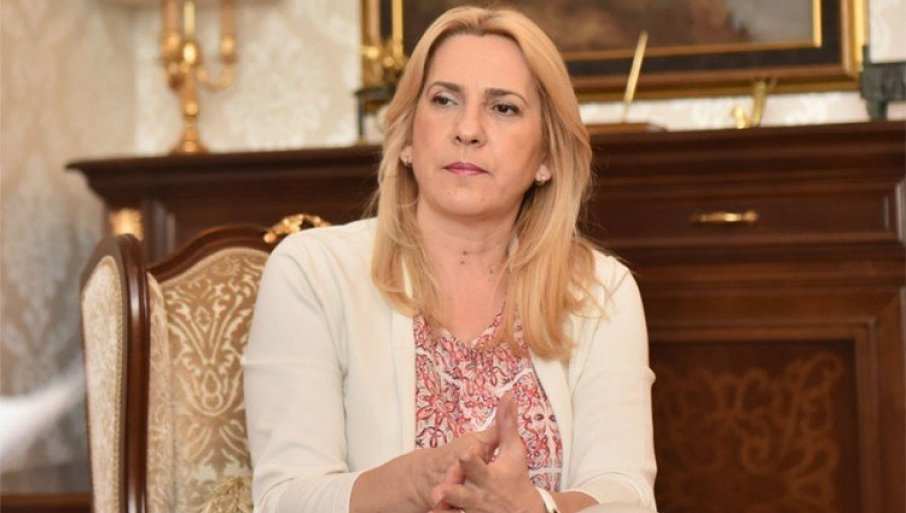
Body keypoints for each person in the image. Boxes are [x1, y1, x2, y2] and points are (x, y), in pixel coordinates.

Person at [242, 6, 657, 513]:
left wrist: (534, 508)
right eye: (444, 100)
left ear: (547, 157)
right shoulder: (313, 272)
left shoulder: (600, 291)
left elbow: (626, 494)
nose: (468, 129)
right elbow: (284, 498)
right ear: (407, 138)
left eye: (503, 108)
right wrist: (420, 480)